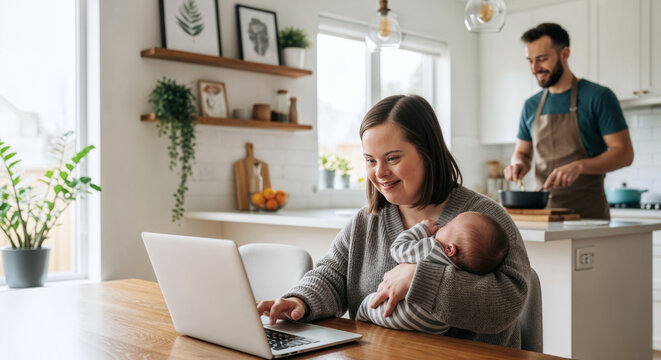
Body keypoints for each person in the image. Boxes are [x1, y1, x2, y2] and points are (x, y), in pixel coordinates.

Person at [257, 95, 533, 348]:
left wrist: (420, 278)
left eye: (392, 158)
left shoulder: (483, 217)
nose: (380, 172)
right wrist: (299, 301)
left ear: (428, 153)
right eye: (370, 160)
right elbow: (331, 276)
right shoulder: (366, 222)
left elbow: (506, 303)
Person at [504, 23, 634, 220]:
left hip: (588, 218)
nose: (534, 68)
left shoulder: (598, 97)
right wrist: (517, 163)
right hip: (542, 217)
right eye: (529, 60)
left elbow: (624, 153)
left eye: (542, 59)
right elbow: (521, 153)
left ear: (565, 54)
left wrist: (579, 166)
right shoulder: (531, 105)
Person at [357, 212, 510, 334]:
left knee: (367, 306)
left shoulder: (433, 248)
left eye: (447, 226)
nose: (442, 225)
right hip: (437, 327)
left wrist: (421, 229)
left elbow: (398, 249)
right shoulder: (466, 268)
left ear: (450, 249)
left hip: (400, 314)